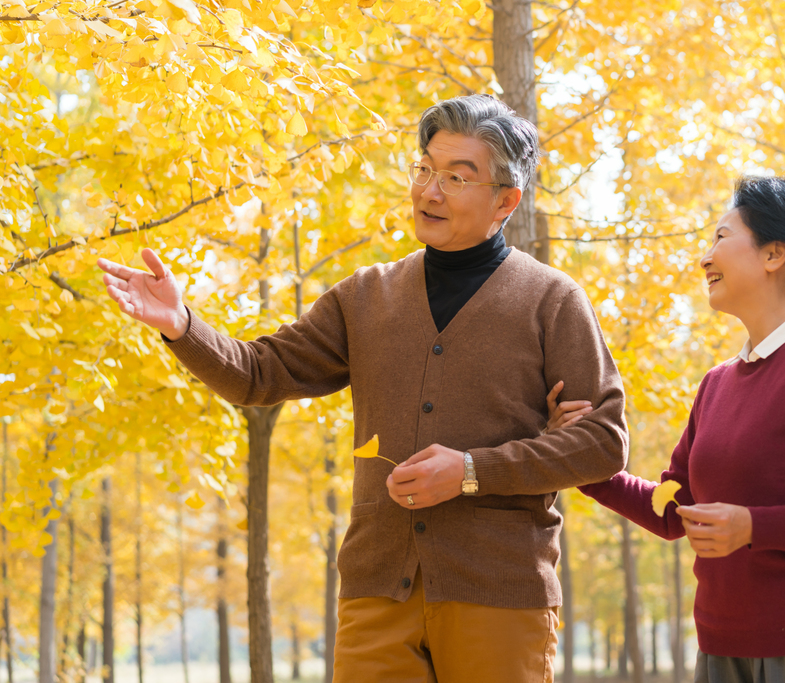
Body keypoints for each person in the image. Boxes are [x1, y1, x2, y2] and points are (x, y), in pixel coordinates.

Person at [98, 94, 629, 683]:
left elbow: (603, 443)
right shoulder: (366, 296)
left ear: (506, 200)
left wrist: (472, 469)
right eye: (425, 168)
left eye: (456, 177)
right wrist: (182, 325)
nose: (429, 190)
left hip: (499, 591)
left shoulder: (553, 301)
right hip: (377, 591)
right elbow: (259, 373)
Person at [548, 176, 785, 683]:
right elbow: (673, 508)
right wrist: (581, 461)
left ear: (773, 254)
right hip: (721, 647)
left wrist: (752, 527)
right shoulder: (716, 384)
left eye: (721, 236)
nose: (705, 256)